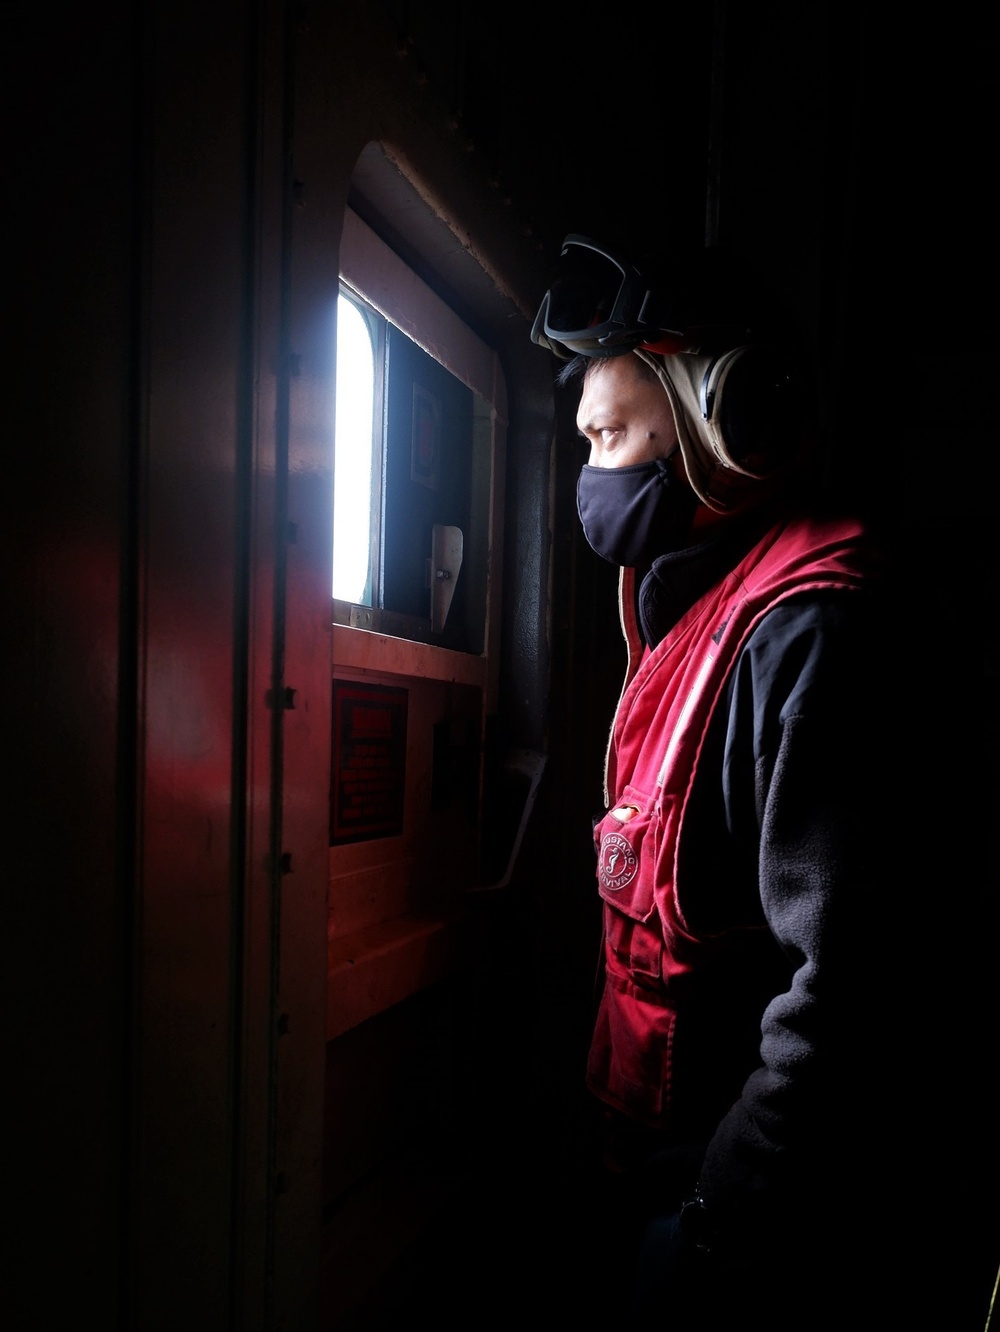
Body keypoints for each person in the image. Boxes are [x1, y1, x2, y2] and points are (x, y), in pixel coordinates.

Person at [529, 235, 996, 1328]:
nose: (591, 478)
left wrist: (711, 1222)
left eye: (610, 439)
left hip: (755, 1223)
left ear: (726, 428)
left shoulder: (823, 630)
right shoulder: (703, 605)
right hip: (663, 1171)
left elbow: (851, 1000)